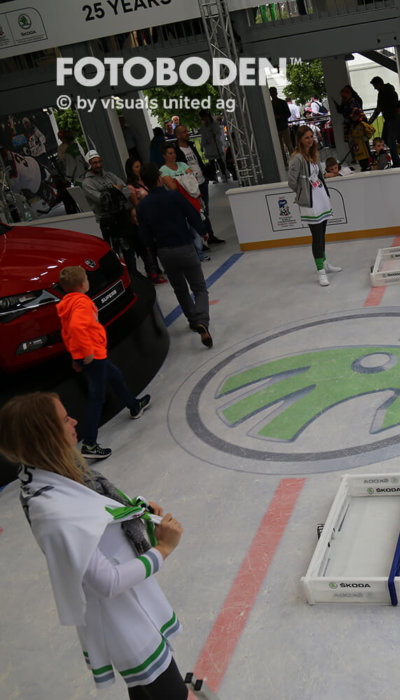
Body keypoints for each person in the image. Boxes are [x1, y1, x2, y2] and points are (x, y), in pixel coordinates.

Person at [0, 392, 186, 698]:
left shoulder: (51, 476)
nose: (74, 421)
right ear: (45, 438)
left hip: (131, 602)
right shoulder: (52, 510)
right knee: (168, 692)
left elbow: (95, 516)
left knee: (148, 691)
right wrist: (162, 550)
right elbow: (106, 582)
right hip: (122, 615)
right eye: (64, 419)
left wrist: (136, 511)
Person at [56, 265, 152, 459]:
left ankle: (134, 405)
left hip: (85, 356)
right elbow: (76, 329)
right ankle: (90, 443)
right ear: (83, 284)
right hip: (93, 356)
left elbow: (67, 333)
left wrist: (76, 357)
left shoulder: (67, 304)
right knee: (97, 397)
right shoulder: (82, 304)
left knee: (115, 376)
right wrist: (88, 352)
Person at [137, 163, 213, 348]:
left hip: (165, 252)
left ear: (145, 183)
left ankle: (193, 321)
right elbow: (193, 216)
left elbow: (145, 237)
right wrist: (203, 231)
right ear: (158, 178)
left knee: (180, 289)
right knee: (199, 287)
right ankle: (202, 319)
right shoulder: (175, 197)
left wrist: (154, 252)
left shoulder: (142, 206)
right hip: (185, 247)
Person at [287, 125, 342, 287]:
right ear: (299, 140)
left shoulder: (313, 154)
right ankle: (321, 272)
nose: (310, 140)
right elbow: (292, 182)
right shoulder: (297, 157)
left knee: (322, 233)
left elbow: (317, 175)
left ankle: (324, 264)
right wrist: (302, 193)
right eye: (306, 138)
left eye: (311, 136)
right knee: (317, 237)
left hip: (320, 197)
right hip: (310, 202)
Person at [81, 150, 144, 275]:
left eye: (99, 162)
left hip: (122, 217)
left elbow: (126, 191)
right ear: (89, 165)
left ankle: (134, 275)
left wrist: (112, 193)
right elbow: (102, 200)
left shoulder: (110, 175)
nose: (98, 165)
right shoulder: (87, 183)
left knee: (129, 249)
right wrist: (116, 190)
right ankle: (122, 277)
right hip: (107, 221)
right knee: (115, 252)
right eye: (94, 163)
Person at [173, 124, 224, 245]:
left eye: (187, 131)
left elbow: (197, 161)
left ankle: (209, 236)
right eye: (184, 132)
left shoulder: (191, 146)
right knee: (196, 212)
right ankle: (201, 240)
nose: (188, 133)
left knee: (205, 210)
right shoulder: (176, 151)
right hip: (190, 185)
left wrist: (205, 176)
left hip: (202, 181)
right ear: (178, 135)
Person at [159, 143, 209, 262]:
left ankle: (200, 253)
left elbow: (193, 180)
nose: (173, 155)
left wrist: (177, 180)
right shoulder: (162, 170)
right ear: (164, 156)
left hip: (190, 202)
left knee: (195, 228)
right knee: (184, 230)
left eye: (174, 153)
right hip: (176, 205)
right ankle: (190, 254)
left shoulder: (182, 164)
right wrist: (185, 180)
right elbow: (172, 187)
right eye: (170, 153)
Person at [125, 157, 166, 285]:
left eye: (140, 166)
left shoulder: (147, 180)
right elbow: (136, 205)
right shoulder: (131, 187)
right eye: (136, 167)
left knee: (159, 245)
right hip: (144, 218)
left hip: (156, 216)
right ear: (131, 170)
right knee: (149, 249)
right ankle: (154, 273)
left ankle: (162, 269)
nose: (139, 169)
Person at [368, 76, 400, 166]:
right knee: (385, 139)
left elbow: (379, 108)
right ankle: (393, 159)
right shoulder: (382, 93)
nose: (374, 88)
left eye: (375, 85)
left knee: (390, 141)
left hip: (392, 119)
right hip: (389, 119)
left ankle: (396, 162)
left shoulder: (388, 92)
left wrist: (370, 121)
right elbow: (379, 108)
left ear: (379, 84)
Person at [199, 110, 229, 182]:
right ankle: (214, 177)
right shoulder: (203, 125)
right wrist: (202, 145)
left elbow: (218, 133)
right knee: (211, 162)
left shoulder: (214, 123)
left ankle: (224, 175)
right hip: (208, 146)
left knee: (219, 160)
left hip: (215, 145)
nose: (203, 119)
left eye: (203, 117)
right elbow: (203, 136)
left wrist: (215, 137)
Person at [269, 86, 294, 166]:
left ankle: (293, 161)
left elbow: (288, 114)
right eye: (271, 93)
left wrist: (279, 117)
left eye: (274, 92)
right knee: (281, 148)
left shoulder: (282, 102)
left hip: (283, 127)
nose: (273, 94)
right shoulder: (270, 104)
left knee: (289, 146)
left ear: (276, 93)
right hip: (277, 128)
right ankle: (285, 163)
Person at [348, 107, 376, 171]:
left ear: (358, 116)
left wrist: (367, 137)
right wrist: (351, 140)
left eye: (354, 116)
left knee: (365, 161)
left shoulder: (362, 124)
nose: (353, 118)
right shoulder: (352, 125)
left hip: (363, 145)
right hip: (357, 147)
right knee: (360, 160)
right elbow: (350, 134)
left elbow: (372, 130)